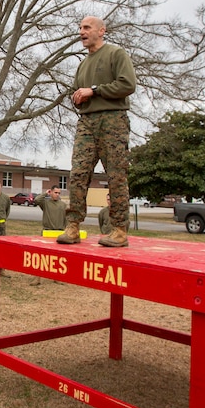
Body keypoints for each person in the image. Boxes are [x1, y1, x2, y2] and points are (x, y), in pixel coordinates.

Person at [57, 15, 137, 248]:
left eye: (86, 27)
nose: (81, 31)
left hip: (112, 120)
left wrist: (93, 90)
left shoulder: (115, 54)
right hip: (87, 121)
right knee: (78, 174)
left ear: (101, 31)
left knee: (116, 175)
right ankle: (72, 226)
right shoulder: (83, 64)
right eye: (80, 28)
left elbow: (127, 84)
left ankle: (119, 229)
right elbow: (78, 91)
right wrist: (78, 96)